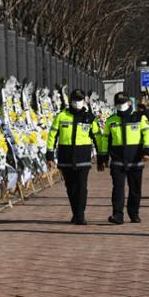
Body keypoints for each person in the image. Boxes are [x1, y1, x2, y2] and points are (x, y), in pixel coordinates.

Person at [46, 89, 101, 225]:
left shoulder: (90, 118)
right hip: (66, 158)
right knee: (70, 188)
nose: (78, 102)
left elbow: (98, 138)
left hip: (83, 158)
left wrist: (102, 156)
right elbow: (52, 135)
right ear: (70, 101)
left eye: (80, 100)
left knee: (82, 187)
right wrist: (49, 155)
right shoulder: (61, 116)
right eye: (75, 100)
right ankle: (76, 213)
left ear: (84, 101)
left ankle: (80, 215)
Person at [98, 92, 149, 224]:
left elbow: (148, 134)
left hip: (135, 159)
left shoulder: (140, 117)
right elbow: (105, 139)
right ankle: (117, 215)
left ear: (129, 103)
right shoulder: (111, 120)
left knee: (135, 189)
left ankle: (134, 213)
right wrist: (103, 157)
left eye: (123, 103)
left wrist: (147, 151)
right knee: (117, 189)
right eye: (118, 104)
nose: (121, 106)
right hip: (117, 160)